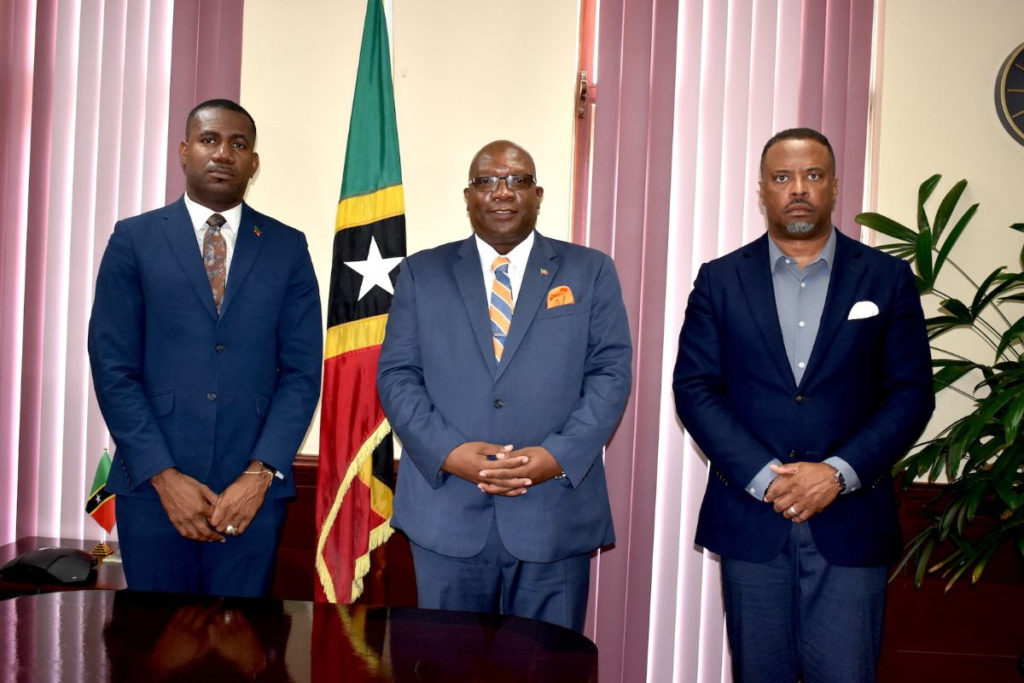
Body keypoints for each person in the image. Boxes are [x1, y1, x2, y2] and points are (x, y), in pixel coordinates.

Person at [672, 128, 934, 682]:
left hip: (852, 521)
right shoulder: (720, 280)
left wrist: (837, 473)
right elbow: (694, 388)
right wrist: (763, 476)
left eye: (813, 175)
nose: (798, 189)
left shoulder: (885, 278)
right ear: (762, 190)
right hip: (751, 519)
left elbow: (911, 393)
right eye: (782, 177)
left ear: (834, 187)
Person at [377, 140, 632, 632]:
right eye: (487, 181)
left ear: (538, 195)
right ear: (468, 196)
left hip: (553, 516)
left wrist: (556, 456)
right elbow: (397, 375)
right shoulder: (422, 273)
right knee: (444, 663)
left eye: (518, 180)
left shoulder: (590, 270)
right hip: (446, 514)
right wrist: (450, 453)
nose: (502, 192)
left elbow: (610, 373)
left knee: (546, 665)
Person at [88, 99, 322, 597]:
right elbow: (112, 368)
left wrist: (258, 475)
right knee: (154, 640)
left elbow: (301, 374)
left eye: (238, 144)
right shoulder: (134, 239)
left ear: (253, 163)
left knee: (241, 639)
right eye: (209, 140)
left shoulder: (287, 247)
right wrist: (164, 477)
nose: (223, 153)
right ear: (184, 151)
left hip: (250, 496)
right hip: (152, 489)